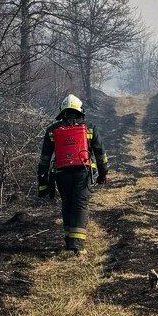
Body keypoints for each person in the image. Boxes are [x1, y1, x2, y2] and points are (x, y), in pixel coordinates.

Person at [37, 94, 109, 254]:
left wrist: (43, 184)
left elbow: (44, 160)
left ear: (62, 111)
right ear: (80, 110)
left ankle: (69, 239)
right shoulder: (89, 128)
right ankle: (76, 245)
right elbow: (100, 154)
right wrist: (103, 174)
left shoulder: (52, 130)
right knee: (80, 204)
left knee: (67, 203)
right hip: (83, 172)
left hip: (61, 174)